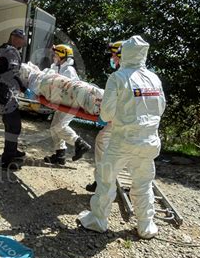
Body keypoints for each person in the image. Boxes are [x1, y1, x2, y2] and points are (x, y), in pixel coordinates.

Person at [78, 35, 166, 239]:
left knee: (106, 180)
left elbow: (107, 113)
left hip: (122, 141)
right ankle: (146, 226)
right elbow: (160, 108)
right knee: (143, 183)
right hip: (148, 141)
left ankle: (98, 220)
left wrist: (110, 115)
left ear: (125, 53)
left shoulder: (118, 77)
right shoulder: (154, 78)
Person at [44, 44, 91, 165]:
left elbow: (65, 89)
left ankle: (80, 144)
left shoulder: (68, 71)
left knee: (59, 127)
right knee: (54, 127)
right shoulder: (60, 68)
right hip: (64, 102)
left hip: (71, 102)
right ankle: (60, 155)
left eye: (55, 54)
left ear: (61, 56)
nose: (53, 56)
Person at [0, 29, 29, 170]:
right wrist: (25, 89)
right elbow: (11, 74)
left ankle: (13, 151)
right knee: (14, 126)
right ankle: (8, 160)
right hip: (5, 92)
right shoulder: (12, 51)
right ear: (15, 38)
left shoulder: (1, 48)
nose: (24, 43)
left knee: (9, 123)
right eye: (22, 40)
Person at [86, 41, 122, 192]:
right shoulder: (144, 75)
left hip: (120, 120)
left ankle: (102, 182)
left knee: (102, 142)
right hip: (138, 123)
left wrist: (104, 116)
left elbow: (111, 103)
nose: (112, 58)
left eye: (114, 54)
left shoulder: (119, 76)